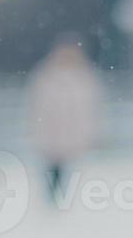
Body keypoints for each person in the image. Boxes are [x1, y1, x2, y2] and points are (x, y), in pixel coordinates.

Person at [25, 33, 103, 205]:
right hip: (51, 131)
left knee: (71, 169)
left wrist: (89, 132)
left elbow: (90, 109)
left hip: (74, 132)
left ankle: (65, 199)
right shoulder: (46, 76)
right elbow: (38, 107)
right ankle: (53, 200)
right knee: (53, 167)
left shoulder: (84, 77)